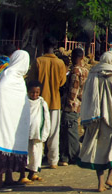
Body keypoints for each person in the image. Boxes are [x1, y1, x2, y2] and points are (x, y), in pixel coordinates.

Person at [78, 51, 112, 192]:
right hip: (111, 121)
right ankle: (110, 178)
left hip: (94, 120)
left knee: (99, 154)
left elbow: (87, 97)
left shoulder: (92, 74)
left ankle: (101, 184)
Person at [0, 50, 31, 191]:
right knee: (2, 145)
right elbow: (1, 89)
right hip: (4, 120)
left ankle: (9, 179)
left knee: (11, 147)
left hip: (14, 122)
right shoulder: (9, 73)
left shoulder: (18, 79)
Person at [29, 37, 67, 168]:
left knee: (38, 133)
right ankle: (53, 160)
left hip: (39, 102)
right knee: (54, 133)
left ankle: (36, 162)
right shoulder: (60, 63)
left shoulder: (38, 61)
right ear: (55, 47)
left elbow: (32, 81)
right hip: (55, 102)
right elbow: (62, 82)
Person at [59, 48, 89, 166]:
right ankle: (65, 156)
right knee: (68, 130)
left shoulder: (75, 71)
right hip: (81, 103)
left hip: (72, 105)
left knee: (70, 131)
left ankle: (75, 156)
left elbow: (73, 89)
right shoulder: (86, 70)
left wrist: (69, 102)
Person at [25, 80, 51, 183]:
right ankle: (23, 175)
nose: (35, 94)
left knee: (36, 155)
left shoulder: (42, 103)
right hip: (26, 134)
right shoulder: (24, 102)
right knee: (26, 155)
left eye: (37, 92)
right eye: (32, 92)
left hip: (37, 134)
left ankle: (32, 174)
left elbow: (46, 119)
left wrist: (45, 133)